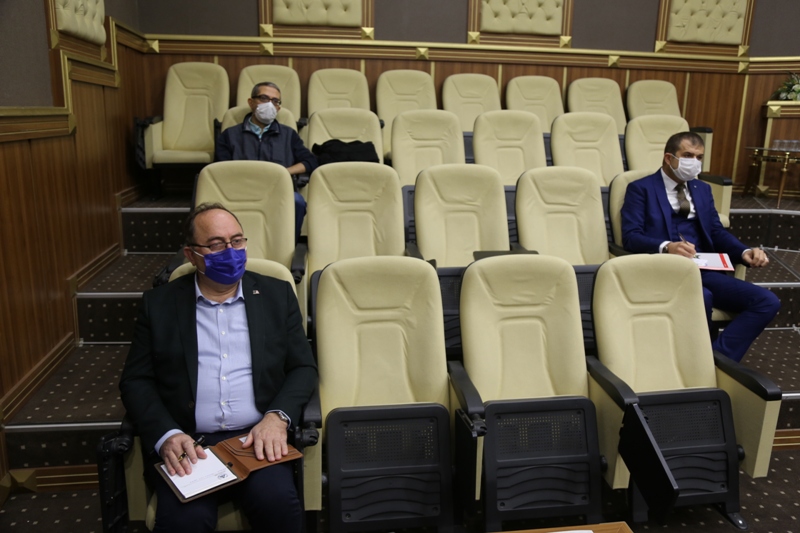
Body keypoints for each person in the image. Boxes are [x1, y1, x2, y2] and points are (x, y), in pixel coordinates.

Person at [120, 202, 317, 532]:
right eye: (216, 245)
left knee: (278, 504)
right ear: (191, 255)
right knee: (184, 521)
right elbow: (135, 380)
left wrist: (277, 417)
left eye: (237, 241)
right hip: (191, 444)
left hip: (255, 439)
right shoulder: (160, 305)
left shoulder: (276, 295)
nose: (230, 252)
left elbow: (303, 367)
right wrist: (167, 434)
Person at [621, 131, 780, 362]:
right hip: (665, 269)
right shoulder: (640, 188)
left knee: (767, 301)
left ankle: (715, 359)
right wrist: (667, 246)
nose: (694, 162)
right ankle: (694, 360)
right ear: (669, 158)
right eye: (688, 155)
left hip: (704, 268)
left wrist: (745, 251)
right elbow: (631, 237)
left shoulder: (702, 189)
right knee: (702, 297)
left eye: (699, 157)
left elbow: (716, 231)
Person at [215, 81, 318, 241]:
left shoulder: (289, 135)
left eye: (275, 101)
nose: (270, 104)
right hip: (240, 191)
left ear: (278, 108)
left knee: (297, 201)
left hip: (277, 191)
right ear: (251, 102)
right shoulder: (229, 135)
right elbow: (219, 169)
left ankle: (288, 246)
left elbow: (310, 161)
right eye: (264, 98)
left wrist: (284, 172)